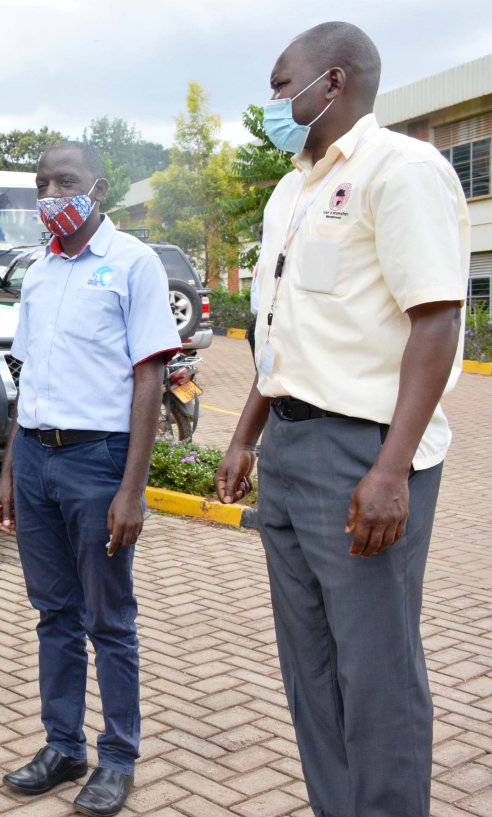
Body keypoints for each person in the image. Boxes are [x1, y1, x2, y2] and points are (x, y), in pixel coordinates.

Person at [215, 22, 468, 817]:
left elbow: (436, 321)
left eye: (282, 85)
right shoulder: (291, 190)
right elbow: (281, 329)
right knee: (311, 672)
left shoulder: (402, 169)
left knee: (377, 671)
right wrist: (246, 433)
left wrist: (391, 470)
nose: (274, 103)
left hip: (363, 454)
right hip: (289, 449)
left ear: (332, 83)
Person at [0, 142, 180, 816]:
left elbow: (149, 377)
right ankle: (63, 744)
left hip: (99, 464)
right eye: (41, 182)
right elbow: (27, 378)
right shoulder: (39, 270)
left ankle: (118, 756)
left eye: (64, 180)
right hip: (37, 458)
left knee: (109, 618)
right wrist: (11, 468)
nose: (50, 192)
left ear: (98, 188)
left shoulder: (133, 263)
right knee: (54, 614)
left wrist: (133, 489)